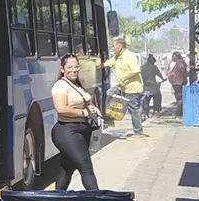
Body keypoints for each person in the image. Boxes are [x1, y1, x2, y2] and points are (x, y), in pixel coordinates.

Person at [50, 54, 101, 191]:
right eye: (70, 67)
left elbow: (83, 102)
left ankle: (58, 198)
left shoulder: (76, 84)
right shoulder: (60, 86)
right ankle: (98, 199)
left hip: (82, 129)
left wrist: (93, 109)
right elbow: (61, 108)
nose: (74, 70)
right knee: (86, 168)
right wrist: (82, 113)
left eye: (76, 67)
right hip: (67, 131)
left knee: (67, 167)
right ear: (62, 69)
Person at [104, 36, 146, 138]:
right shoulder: (117, 57)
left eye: (114, 46)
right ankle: (109, 119)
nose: (113, 48)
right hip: (122, 87)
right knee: (109, 94)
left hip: (132, 88)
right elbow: (106, 64)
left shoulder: (130, 56)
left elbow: (136, 71)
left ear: (120, 46)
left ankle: (139, 133)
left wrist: (123, 79)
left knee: (133, 109)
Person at [141, 54, 164, 118]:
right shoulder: (154, 67)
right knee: (158, 96)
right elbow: (159, 74)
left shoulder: (142, 67)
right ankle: (157, 109)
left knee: (146, 98)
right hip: (153, 87)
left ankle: (145, 109)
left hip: (145, 86)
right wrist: (162, 79)